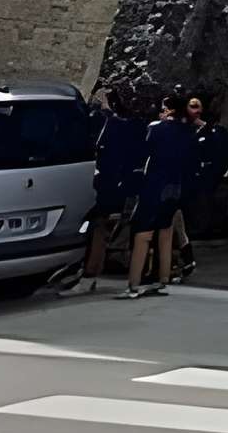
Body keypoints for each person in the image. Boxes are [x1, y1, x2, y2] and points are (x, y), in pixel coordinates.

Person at [123, 91, 195, 298]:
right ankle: (162, 278)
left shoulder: (156, 129)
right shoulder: (188, 132)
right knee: (165, 230)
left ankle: (135, 283)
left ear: (169, 109)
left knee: (143, 232)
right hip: (176, 185)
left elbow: (143, 153)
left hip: (155, 183)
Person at [79, 84, 145, 294]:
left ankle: (90, 274)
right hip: (121, 184)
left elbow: (106, 153)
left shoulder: (114, 126)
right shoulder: (136, 126)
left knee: (99, 228)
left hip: (110, 184)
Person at [179, 92, 228, 280]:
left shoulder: (218, 133)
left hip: (207, 176)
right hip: (192, 176)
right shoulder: (193, 131)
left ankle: (199, 231)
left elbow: (222, 155)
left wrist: (214, 173)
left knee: (202, 205)